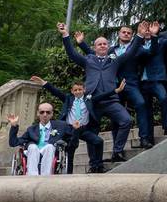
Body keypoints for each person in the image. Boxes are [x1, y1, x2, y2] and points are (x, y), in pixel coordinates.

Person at [60, 21, 147, 162]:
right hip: (92, 102)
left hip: (111, 100)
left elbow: (130, 53)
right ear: (94, 47)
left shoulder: (115, 61)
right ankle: (94, 162)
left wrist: (139, 36)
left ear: (108, 47)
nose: (102, 46)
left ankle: (117, 152)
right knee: (91, 132)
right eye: (99, 44)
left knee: (126, 120)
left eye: (105, 44)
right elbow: (72, 54)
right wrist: (65, 35)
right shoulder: (88, 60)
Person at [76, 26, 154, 149]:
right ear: (119, 34)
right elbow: (94, 54)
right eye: (124, 32)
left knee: (141, 104)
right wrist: (81, 43)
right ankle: (117, 150)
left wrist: (147, 37)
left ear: (132, 35)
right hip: (112, 88)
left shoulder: (137, 48)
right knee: (116, 119)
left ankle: (144, 138)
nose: (126, 34)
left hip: (130, 84)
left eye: (129, 33)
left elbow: (150, 53)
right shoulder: (110, 50)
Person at [32, 75, 124, 174]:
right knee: (70, 150)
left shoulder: (89, 99)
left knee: (98, 141)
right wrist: (44, 83)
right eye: (75, 90)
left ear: (84, 90)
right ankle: (69, 173)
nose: (77, 92)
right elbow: (56, 92)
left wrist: (116, 90)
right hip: (70, 129)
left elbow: (103, 96)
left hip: (83, 129)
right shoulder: (68, 99)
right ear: (72, 91)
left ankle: (97, 166)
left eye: (80, 89)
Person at [7, 103, 76, 176]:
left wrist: (76, 130)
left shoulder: (61, 126)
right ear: (38, 113)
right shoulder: (31, 129)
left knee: (49, 147)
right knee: (33, 147)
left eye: (48, 112)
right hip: (33, 152)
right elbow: (13, 143)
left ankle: (45, 176)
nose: (45, 115)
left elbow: (72, 141)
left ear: (52, 114)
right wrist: (14, 126)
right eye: (42, 112)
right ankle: (32, 176)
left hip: (50, 152)